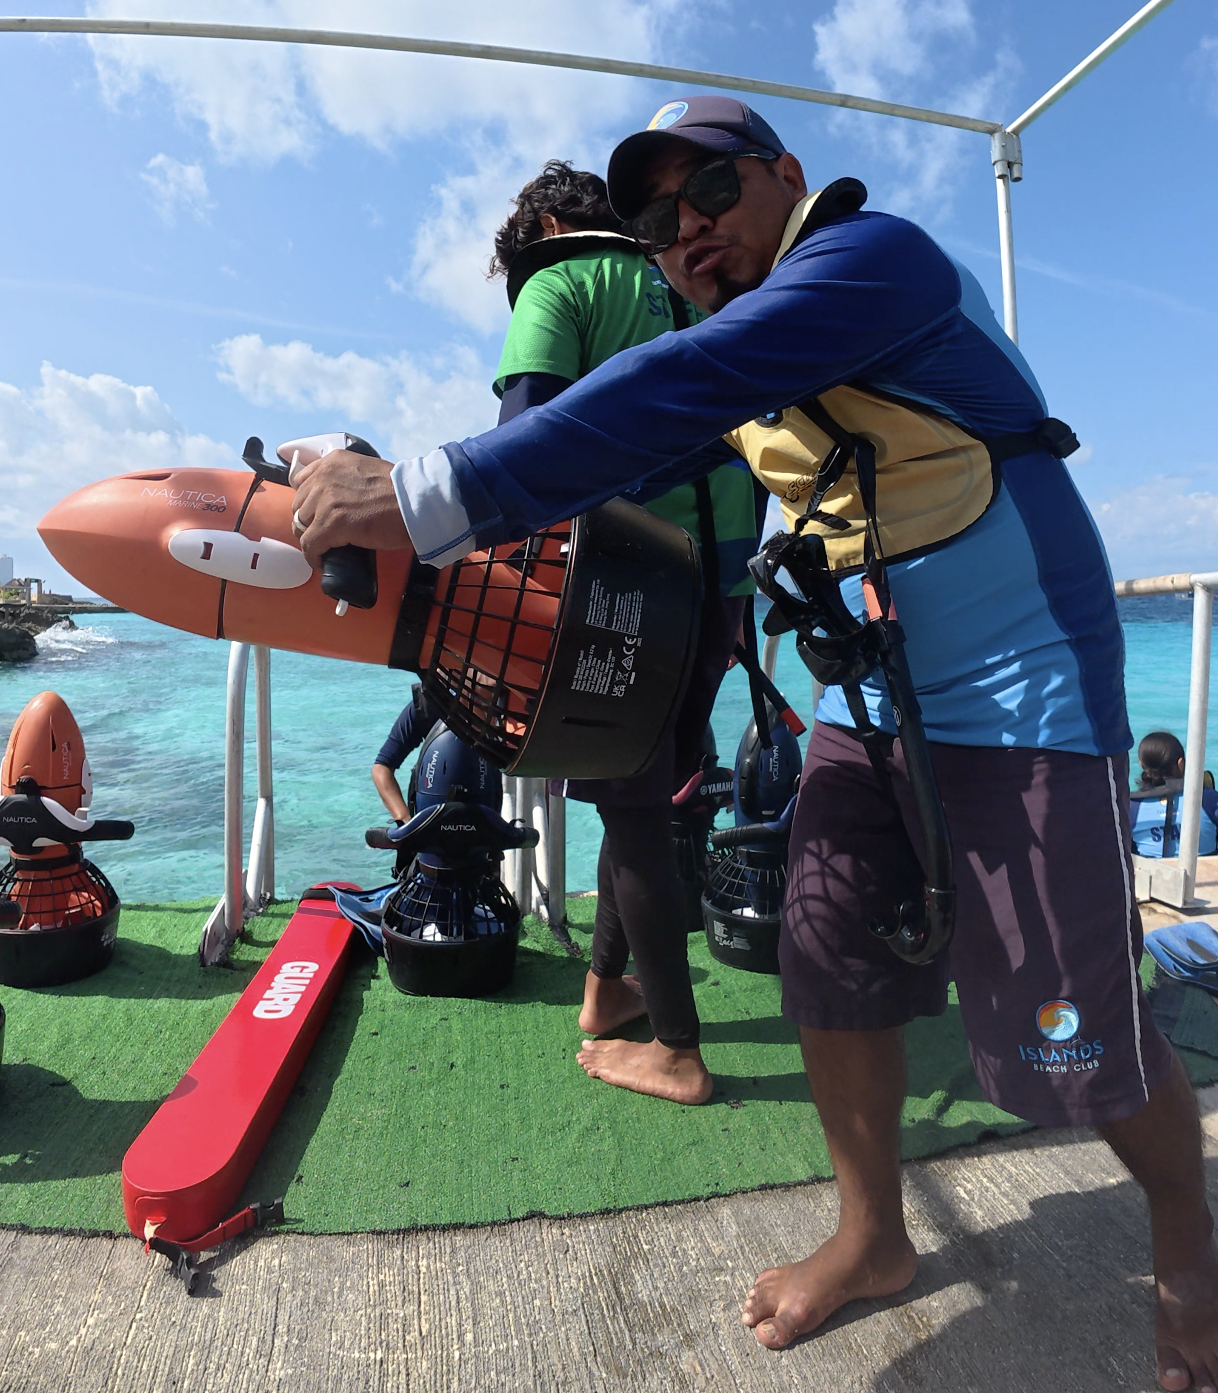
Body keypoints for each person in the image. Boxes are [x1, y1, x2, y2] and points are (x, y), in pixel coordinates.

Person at [291, 95, 1218, 1391]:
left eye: (709, 196)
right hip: (869, 695)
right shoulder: (731, 356)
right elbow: (623, 428)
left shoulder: (870, 261)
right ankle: (873, 1234)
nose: (686, 236)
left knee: (1073, 1026)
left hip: (1024, 686)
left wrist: (421, 495)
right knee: (823, 957)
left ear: (785, 176)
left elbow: (678, 381)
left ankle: (1187, 1241)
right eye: (658, 226)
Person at [488, 159, 761, 1106]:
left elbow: (523, 435)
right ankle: (606, 993)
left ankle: (679, 1051)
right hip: (723, 586)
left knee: (632, 805)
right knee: (642, 795)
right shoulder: (714, 289)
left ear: (545, 235)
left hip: (618, 581)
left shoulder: (561, 280)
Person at [1130, 731, 1218, 859]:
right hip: (1204, 876)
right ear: (1181, 764)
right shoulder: (1207, 798)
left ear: (1142, 765)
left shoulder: (1131, 807)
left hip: (1152, 876)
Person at [370, 683, 444, 824]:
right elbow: (381, 769)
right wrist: (405, 822)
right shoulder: (428, 706)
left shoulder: (497, 707)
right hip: (433, 820)